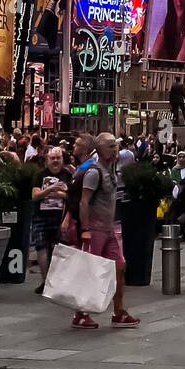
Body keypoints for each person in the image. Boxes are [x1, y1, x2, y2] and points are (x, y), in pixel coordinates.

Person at [72, 133, 139, 330]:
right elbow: (84, 202)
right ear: (101, 149)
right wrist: (85, 229)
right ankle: (80, 313)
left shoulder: (111, 170)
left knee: (119, 267)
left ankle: (118, 312)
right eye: (110, 146)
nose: (115, 149)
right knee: (90, 271)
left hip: (109, 229)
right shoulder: (94, 172)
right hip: (95, 229)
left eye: (115, 146)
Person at [31, 146, 71, 292]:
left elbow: (71, 196)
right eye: (52, 158)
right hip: (41, 216)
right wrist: (50, 189)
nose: (55, 161)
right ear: (47, 160)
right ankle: (45, 282)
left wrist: (61, 195)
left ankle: (58, 282)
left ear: (62, 159)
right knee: (41, 248)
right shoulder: (40, 175)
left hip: (59, 217)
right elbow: (35, 196)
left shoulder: (67, 174)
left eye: (58, 158)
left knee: (59, 250)